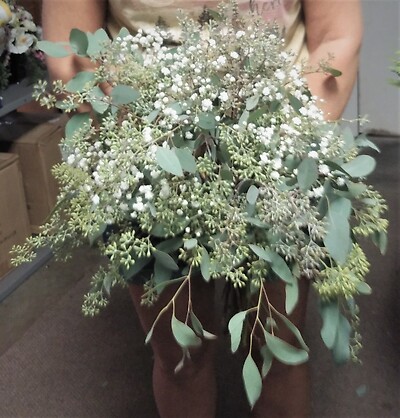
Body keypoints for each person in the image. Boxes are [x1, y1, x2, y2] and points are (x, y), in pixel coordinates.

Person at [41, 1, 363, 417]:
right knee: (182, 359)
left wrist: (283, 145)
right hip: (150, 158)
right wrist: (152, 143)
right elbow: (69, 55)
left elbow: (337, 35)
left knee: (277, 348)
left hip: (280, 149)